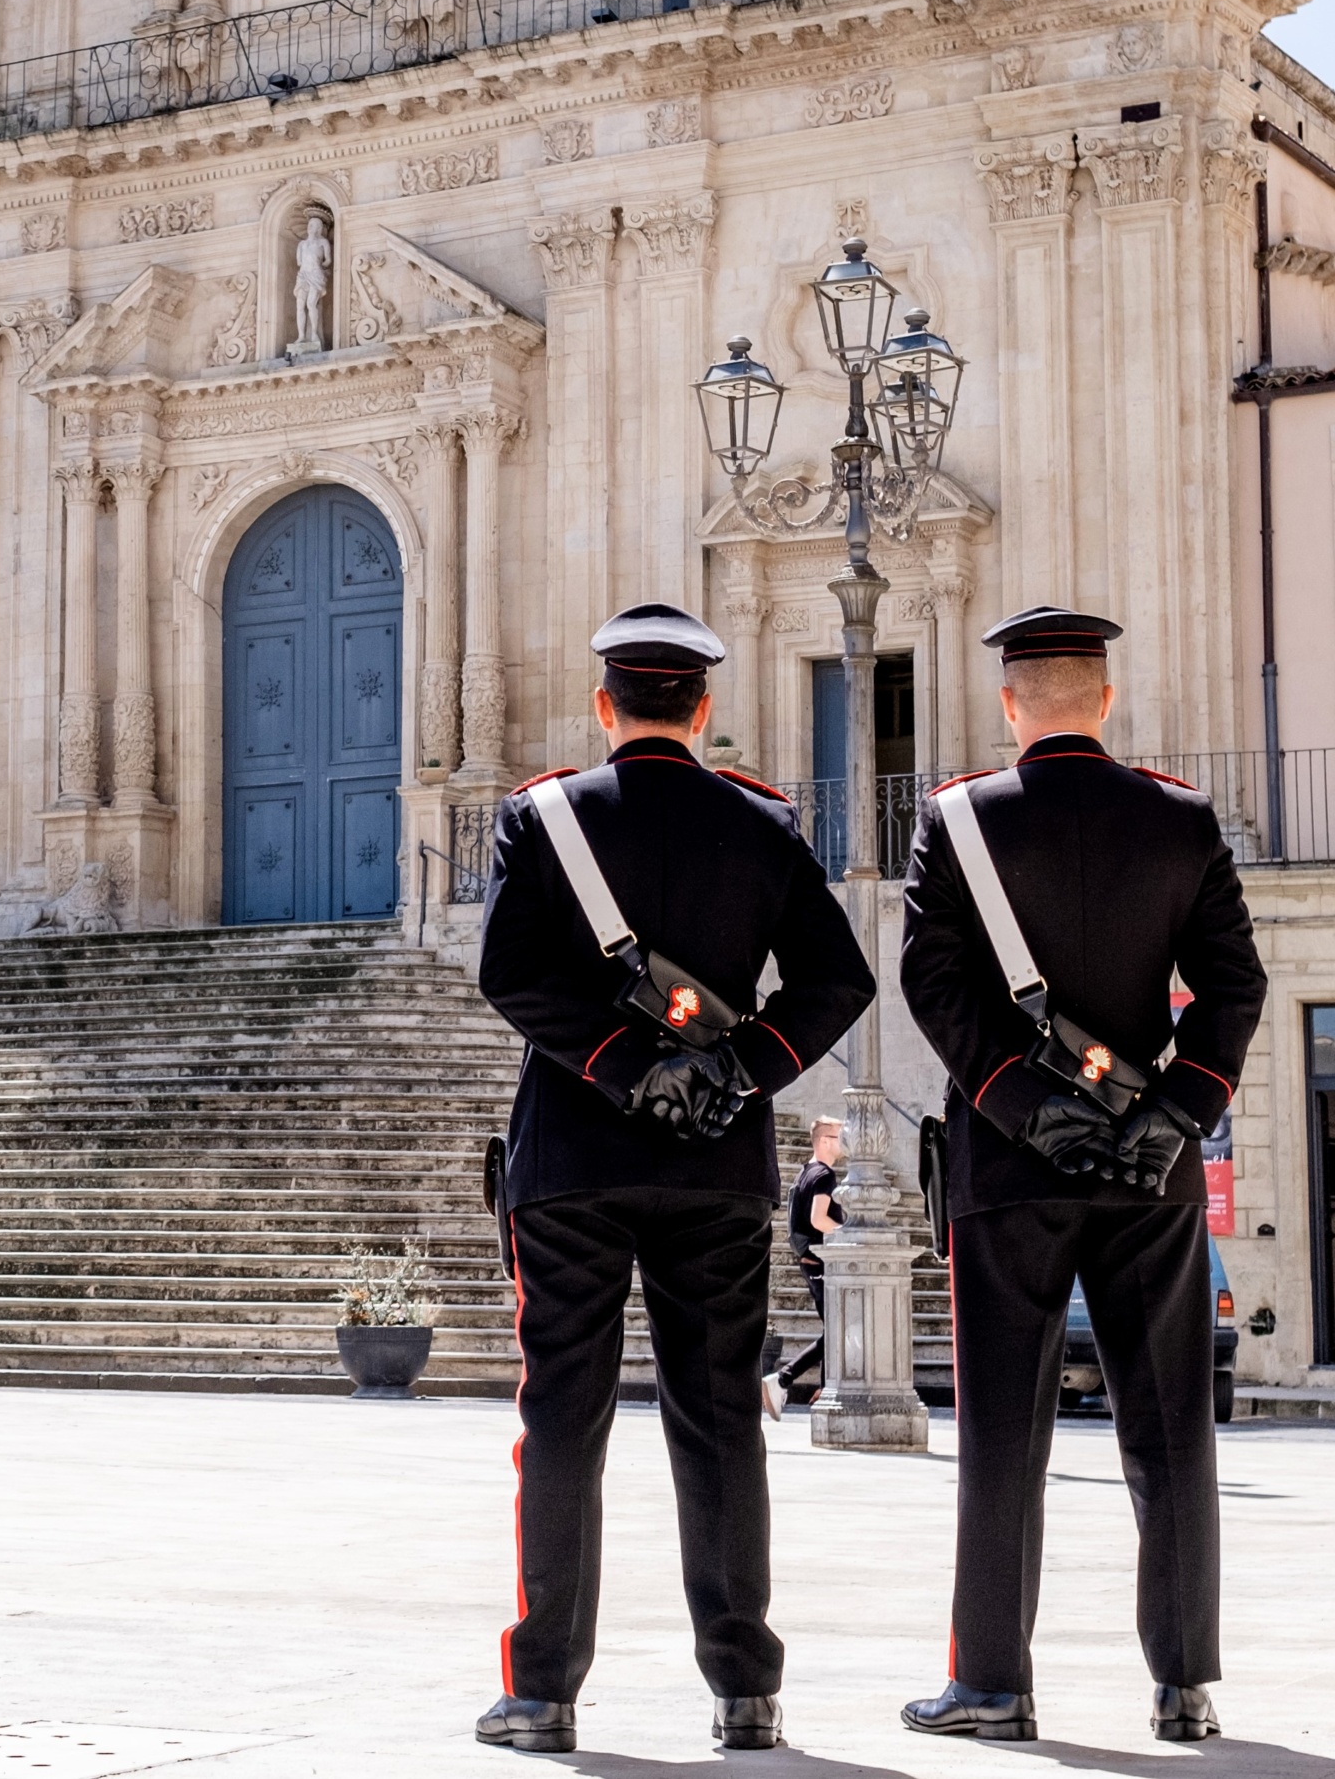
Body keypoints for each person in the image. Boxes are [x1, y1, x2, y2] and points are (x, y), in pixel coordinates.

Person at [474, 605, 878, 1756]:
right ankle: (744, 1691)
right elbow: (835, 981)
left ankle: (542, 1692)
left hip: (571, 1166)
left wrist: (616, 1067)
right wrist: (734, 1074)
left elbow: (509, 972)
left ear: (604, 706)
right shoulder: (759, 822)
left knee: (561, 1420)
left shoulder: (542, 816)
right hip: (716, 1168)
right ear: (701, 710)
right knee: (719, 1424)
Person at [896, 608, 1268, 1745]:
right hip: (1145, 1170)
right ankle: (1184, 1687)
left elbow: (936, 990)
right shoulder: (1180, 818)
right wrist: (1175, 1113)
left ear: (1010, 705)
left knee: (1003, 1430)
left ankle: (994, 1687)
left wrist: (1022, 1107)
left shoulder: (955, 822)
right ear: (1102, 701)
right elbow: (1233, 989)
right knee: (1168, 1432)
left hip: (1007, 1170)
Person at [764, 1117, 845, 1417]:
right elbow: (817, 1219)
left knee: (834, 1329)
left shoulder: (806, 1173)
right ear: (824, 1140)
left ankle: (824, 1388)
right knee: (837, 1330)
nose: (842, 1142)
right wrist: (849, 1231)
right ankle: (782, 1379)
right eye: (838, 1136)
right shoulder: (824, 1175)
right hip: (821, 1263)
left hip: (809, 1262)